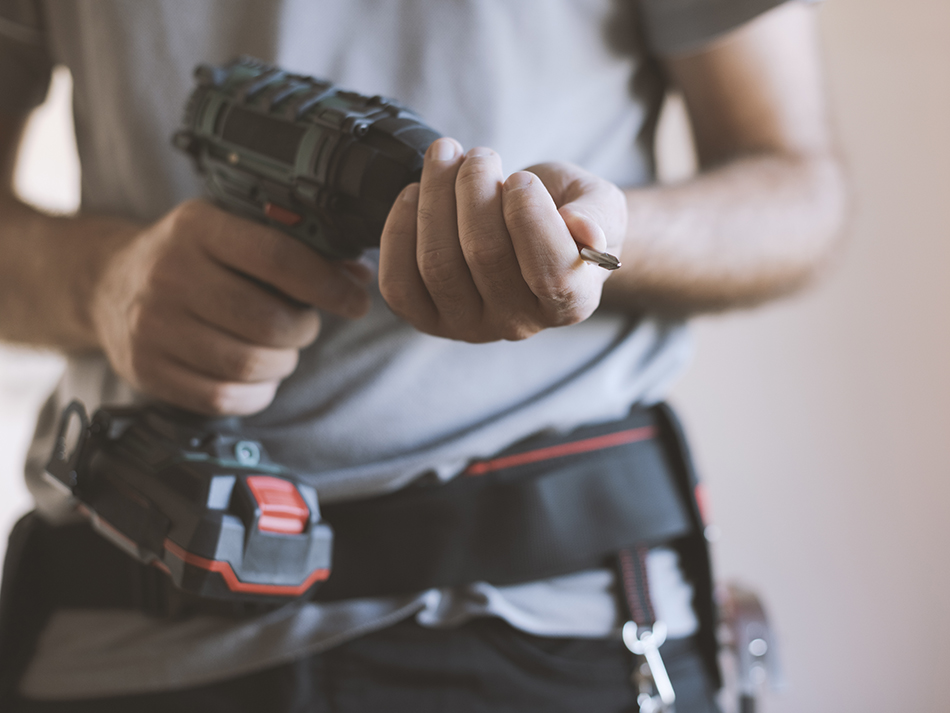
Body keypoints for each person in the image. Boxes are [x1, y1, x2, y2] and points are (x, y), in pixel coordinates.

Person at [0, 0, 845, 711]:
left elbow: (797, 187)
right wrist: (101, 284)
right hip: (132, 616)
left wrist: (584, 245)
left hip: (555, 625)